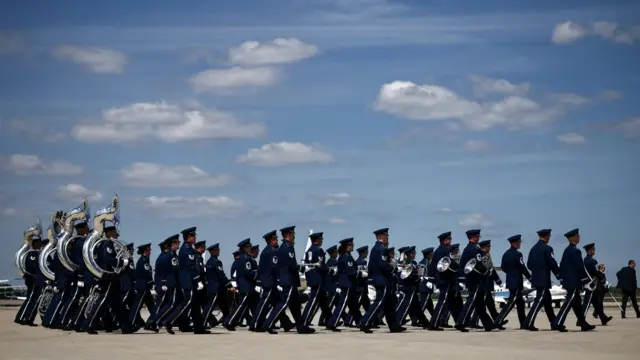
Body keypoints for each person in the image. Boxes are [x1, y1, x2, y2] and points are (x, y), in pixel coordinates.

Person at [551, 228, 595, 332]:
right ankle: (557, 322)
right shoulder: (575, 251)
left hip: (568, 280)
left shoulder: (567, 250)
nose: (579, 238)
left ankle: (583, 323)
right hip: (573, 281)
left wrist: (562, 279)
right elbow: (579, 267)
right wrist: (586, 281)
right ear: (574, 238)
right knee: (570, 301)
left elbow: (562, 266)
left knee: (577, 304)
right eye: (578, 236)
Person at [523, 229, 562, 331]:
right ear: (546, 236)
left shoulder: (533, 249)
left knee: (547, 302)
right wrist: (559, 275)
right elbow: (552, 263)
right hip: (544, 278)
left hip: (536, 278)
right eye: (549, 236)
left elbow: (529, 265)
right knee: (539, 300)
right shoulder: (547, 248)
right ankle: (528, 322)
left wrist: (537, 271)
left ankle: (554, 323)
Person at [494, 234, 532, 329]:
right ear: (515, 243)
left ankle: (523, 323)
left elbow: (503, 267)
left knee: (520, 303)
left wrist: (510, 273)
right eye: (519, 242)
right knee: (511, 303)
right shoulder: (518, 254)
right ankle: (498, 320)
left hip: (510, 281)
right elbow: (522, 268)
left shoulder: (506, 254)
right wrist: (530, 278)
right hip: (517, 281)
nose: (520, 244)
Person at [581, 243, 612, 325]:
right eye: (593, 250)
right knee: (586, 305)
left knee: (598, 304)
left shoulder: (585, 260)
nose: (594, 251)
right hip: (591, 285)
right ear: (590, 251)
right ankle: (581, 320)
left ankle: (603, 319)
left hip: (588, 284)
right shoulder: (592, 261)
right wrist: (602, 279)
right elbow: (595, 272)